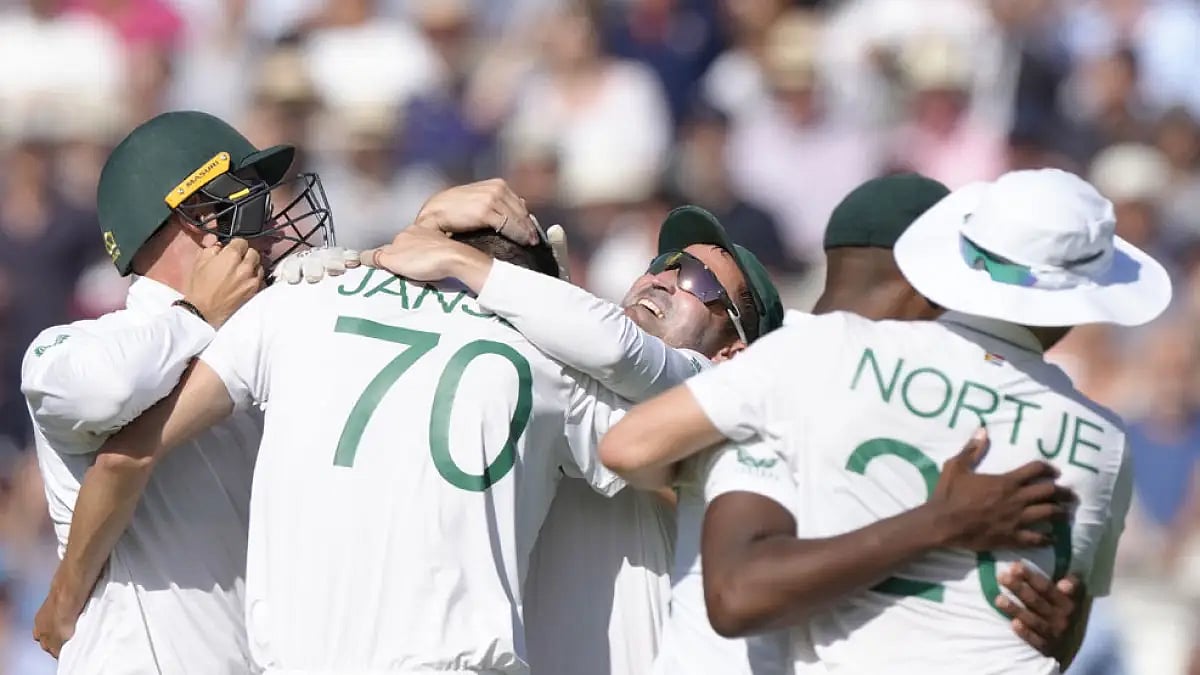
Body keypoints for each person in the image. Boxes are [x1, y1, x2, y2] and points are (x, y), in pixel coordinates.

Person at [365, 189, 1084, 675]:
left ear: (736, 352)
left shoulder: (719, 400)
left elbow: (622, 355)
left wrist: (465, 260)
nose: (667, 280)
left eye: (703, 289)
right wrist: (434, 221)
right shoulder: (552, 350)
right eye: (667, 264)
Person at [32, 180, 673, 673]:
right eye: (248, 215)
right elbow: (679, 435)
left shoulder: (294, 309)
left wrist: (63, 598)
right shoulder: (543, 356)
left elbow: (126, 456)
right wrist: (554, 303)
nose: (279, 234)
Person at [603, 168, 1168, 672]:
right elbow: (1055, 641)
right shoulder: (1105, 440)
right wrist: (944, 525)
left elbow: (629, 452)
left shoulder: (820, 356)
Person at [22, 109, 349, 671]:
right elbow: (103, 392)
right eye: (246, 198)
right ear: (195, 216)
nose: (270, 221)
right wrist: (198, 315)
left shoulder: (266, 335)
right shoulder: (77, 345)